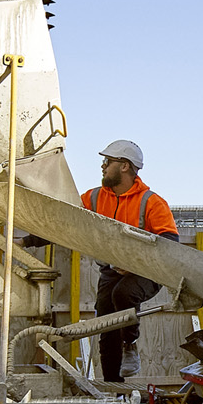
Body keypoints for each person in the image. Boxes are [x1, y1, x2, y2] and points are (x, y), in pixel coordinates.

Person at [81, 139, 178, 380]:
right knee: (106, 322)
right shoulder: (93, 198)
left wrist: (135, 262)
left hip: (149, 272)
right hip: (111, 271)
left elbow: (170, 242)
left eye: (107, 161)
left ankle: (130, 346)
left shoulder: (152, 202)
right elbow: (62, 221)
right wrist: (29, 241)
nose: (103, 166)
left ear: (124, 166)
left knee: (123, 295)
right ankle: (115, 388)